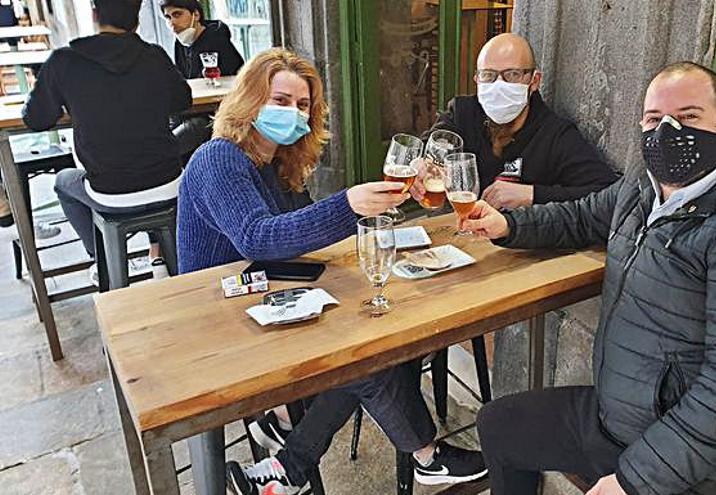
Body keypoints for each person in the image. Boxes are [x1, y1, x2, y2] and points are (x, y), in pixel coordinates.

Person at [465, 62, 716, 495]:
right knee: (500, 426)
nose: (668, 132)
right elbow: (581, 215)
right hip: (618, 418)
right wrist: (509, 227)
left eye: (688, 117)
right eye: (654, 119)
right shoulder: (643, 188)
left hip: (695, 465)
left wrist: (634, 480)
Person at [176, 48, 487, 495]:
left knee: (380, 339)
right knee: (365, 354)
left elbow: (302, 236)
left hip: (267, 294)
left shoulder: (274, 164)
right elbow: (258, 238)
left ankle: (289, 463)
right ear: (249, 99)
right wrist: (348, 205)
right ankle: (425, 457)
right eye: (280, 100)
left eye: (302, 106)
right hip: (223, 318)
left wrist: (385, 200)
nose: (293, 113)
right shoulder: (219, 159)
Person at [23, 0, 191, 281]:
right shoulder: (154, 56)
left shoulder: (63, 61)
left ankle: (102, 259)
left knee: (64, 182)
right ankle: (161, 257)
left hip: (109, 189)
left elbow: (36, 118)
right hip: (168, 182)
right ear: (137, 19)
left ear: (94, 14)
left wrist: (71, 99)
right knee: (147, 155)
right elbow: (182, 100)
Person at [412, 33, 617, 210]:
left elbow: (607, 192)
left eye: (512, 75)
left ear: (534, 81)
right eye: (488, 75)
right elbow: (433, 141)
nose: (499, 85)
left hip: (525, 248)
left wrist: (532, 195)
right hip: (462, 235)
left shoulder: (555, 135)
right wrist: (421, 164)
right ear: (477, 79)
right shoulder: (461, 113)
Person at [160, 0, 245, 160]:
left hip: (217, 114)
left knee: (175, 143)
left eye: (177, 14)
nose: (172, 22)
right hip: (192, 109)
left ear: (196, 14)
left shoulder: (216, 40)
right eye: (168, 17)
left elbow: (232, 85)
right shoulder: (180, 44)